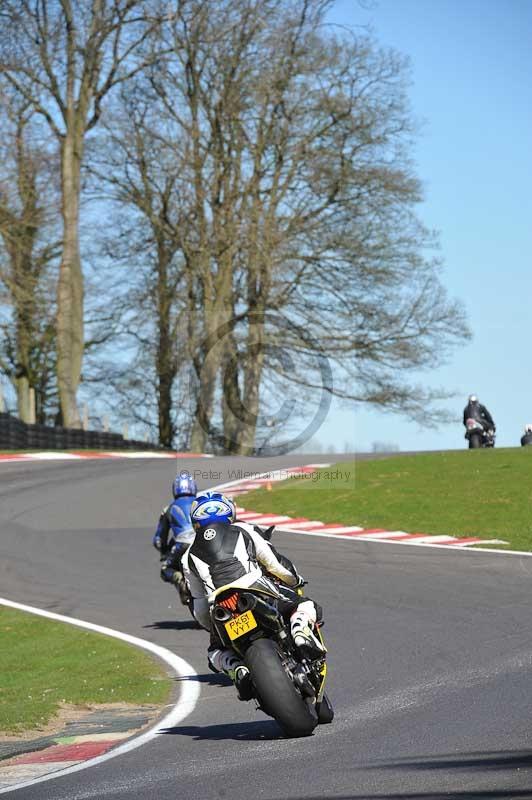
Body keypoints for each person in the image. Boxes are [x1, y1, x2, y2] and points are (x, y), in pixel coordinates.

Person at [182, 490, 325, 700]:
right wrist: (295, 581)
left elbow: (199, 605)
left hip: (219, 606)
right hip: (255, 588)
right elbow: (274, 564)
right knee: (305, 605)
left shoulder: (187, 556)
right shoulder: (244, 529)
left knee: (214, 652)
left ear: (195, 521)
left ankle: (237, 668)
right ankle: (300, 630)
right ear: (229, 513)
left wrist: (211, 627)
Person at [153, 472, 198, 596]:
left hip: (182, 545)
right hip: (205, 541)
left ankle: (180, 581)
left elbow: (158, 540)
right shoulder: (201, 503)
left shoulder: (168, 508)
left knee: (165, 569)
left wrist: (164, 552)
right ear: (194, 487)